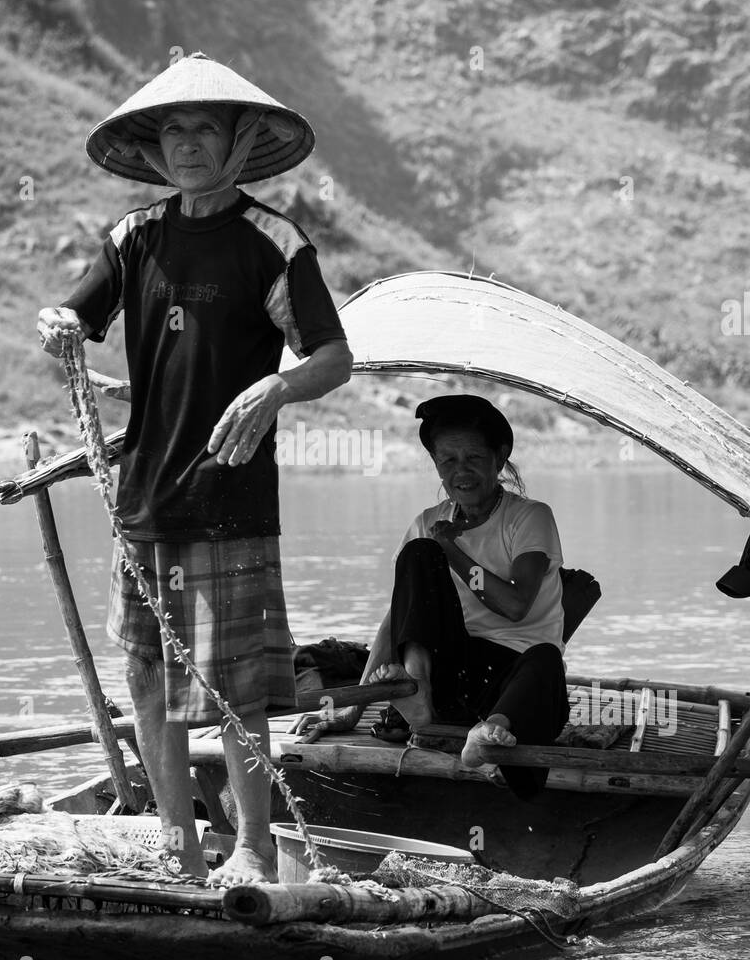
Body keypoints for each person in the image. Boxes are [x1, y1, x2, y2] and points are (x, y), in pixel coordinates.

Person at [37, 53, 352, 884]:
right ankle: (176, 844)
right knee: (145, 672)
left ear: (240, 140)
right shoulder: (135, 237)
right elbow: (75, 312)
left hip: (230, 496)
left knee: (236, 688)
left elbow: (332, 357)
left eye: (204, 128)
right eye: (173, 129)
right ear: (154, 146)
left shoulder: (271, 242)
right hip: (143, 498)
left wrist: (275, 390)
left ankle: (251, 846)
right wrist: (57, 322)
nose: (187, 144)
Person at [309, 395, 568, 796]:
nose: (460, 472)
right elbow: (398, 616)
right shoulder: (427, 524)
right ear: (435, 465)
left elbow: (516, 605)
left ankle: (489, 733)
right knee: (419, 552)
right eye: (447, 461)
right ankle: (417, 689)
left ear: (499, 459)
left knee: (547, 659)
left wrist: (455, 552)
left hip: (514, 679)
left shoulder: (529, 517)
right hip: (453, 677)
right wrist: (354, 705)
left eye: (473, 458)